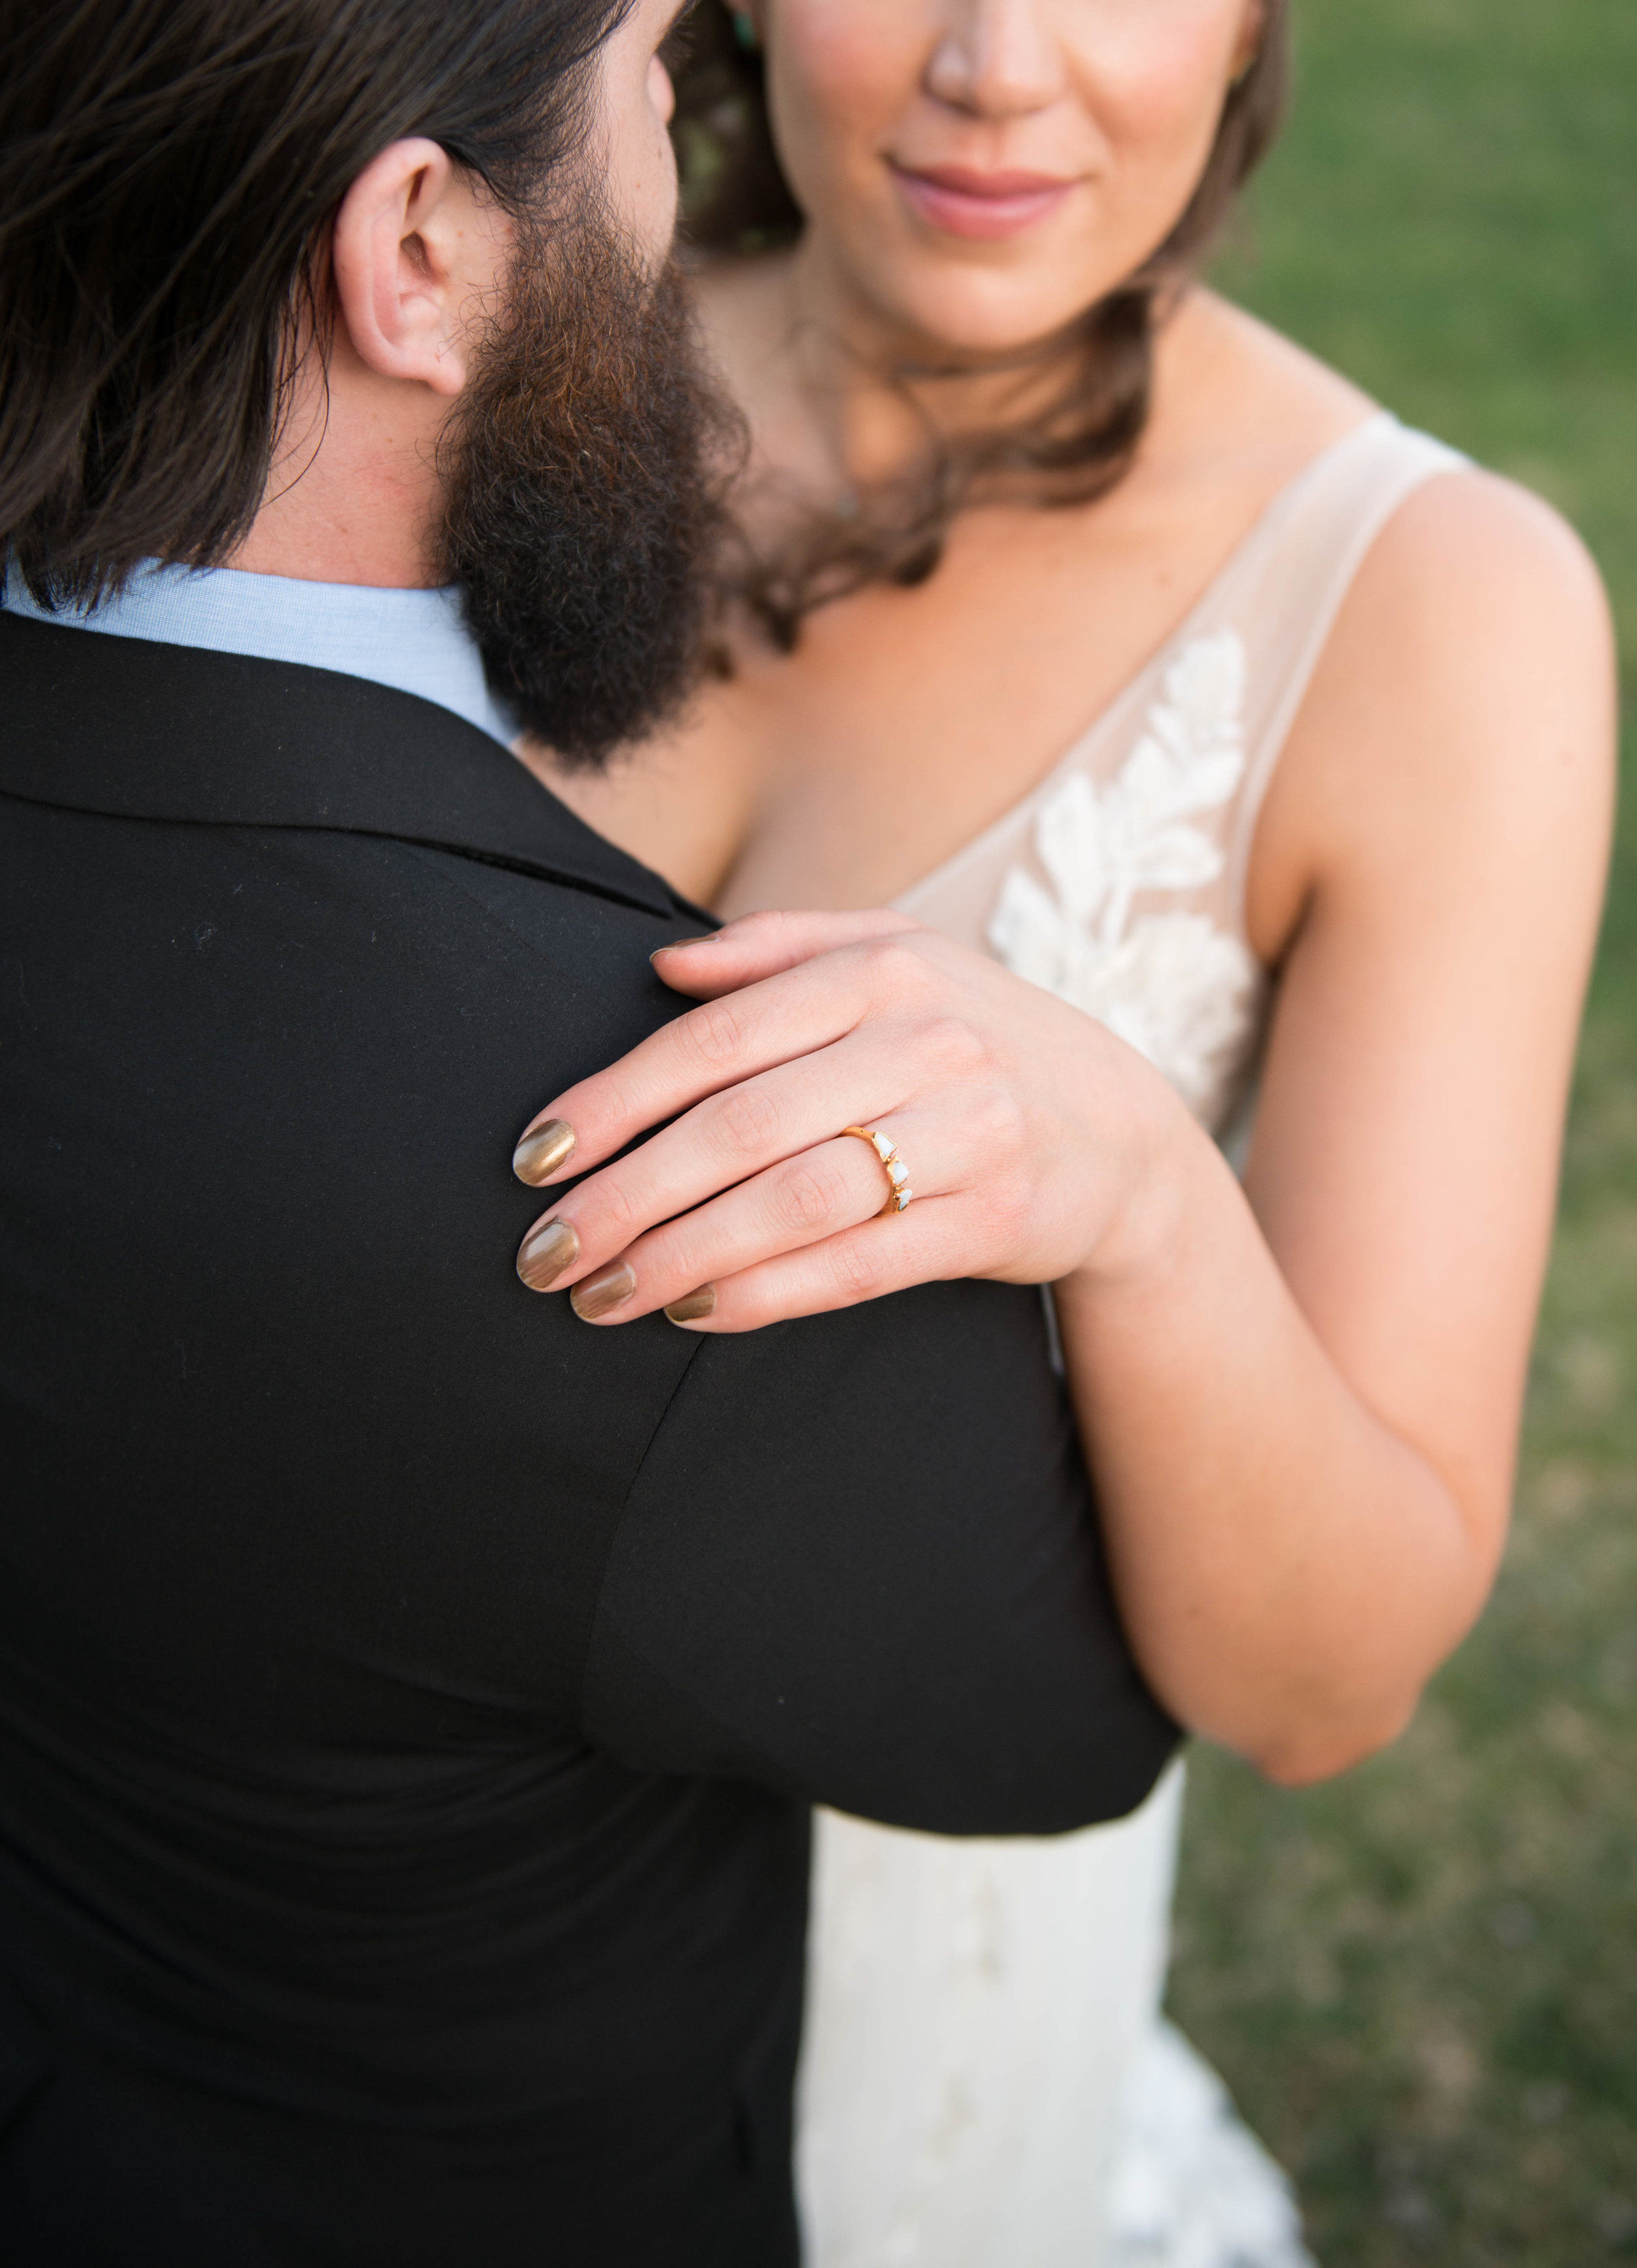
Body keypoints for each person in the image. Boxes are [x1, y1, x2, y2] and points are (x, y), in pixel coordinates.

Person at [0, 2, 1181, 2261]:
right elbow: (1062, 1735)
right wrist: (1128, 1177)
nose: (677, 139)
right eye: (650, 67)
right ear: (418, 247)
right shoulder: (656, 1185)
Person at [514, 1, 1618, 2260]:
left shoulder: (1434, 612)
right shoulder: (447, 353)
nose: (999, 65)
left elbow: (1322, 1684)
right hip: (283, 1905)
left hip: (896, 2004)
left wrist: (1129, 1195)